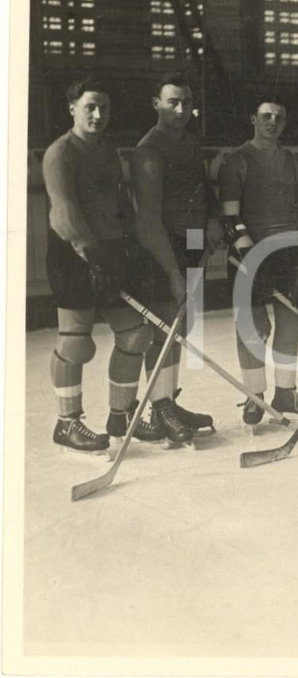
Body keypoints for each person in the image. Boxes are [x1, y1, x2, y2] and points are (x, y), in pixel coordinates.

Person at [43, 76, 161, 454]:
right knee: (77, 343)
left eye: (104, 108)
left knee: (135, 335)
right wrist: (91, 254)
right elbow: (63, 211)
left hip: (111, 251)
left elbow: (119, 202)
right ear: (72, 108)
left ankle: (120, 416)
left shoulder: (108, 151)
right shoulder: (60, 152)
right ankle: (67, 423)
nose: (97, 114)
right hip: (74, 254)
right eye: (90, 106)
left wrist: (132, 247)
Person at [219, 94, 298, 429]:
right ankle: (254, 397)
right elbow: (229, 219)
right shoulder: (236, 161)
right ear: (253, 118)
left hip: (288, 252)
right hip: (248, 252)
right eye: (266, 116)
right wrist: (254, 258)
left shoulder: (295, 162)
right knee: (253, 329)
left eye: (279, 117)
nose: (273, 122)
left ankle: (286, 393)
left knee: (291, 326)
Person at [131, 72, 223, 443]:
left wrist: (214, 218)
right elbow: (148, 219)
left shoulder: (189, 142)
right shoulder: (148, 150)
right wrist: (171, 272)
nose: (182, 109)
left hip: (195, 239)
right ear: (156, 103)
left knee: (180, 327)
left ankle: (166, 402)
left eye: (186, 101)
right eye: (173, 102)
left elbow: (203, 188)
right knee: (163, 327)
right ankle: (160, 408)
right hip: (163, 244)